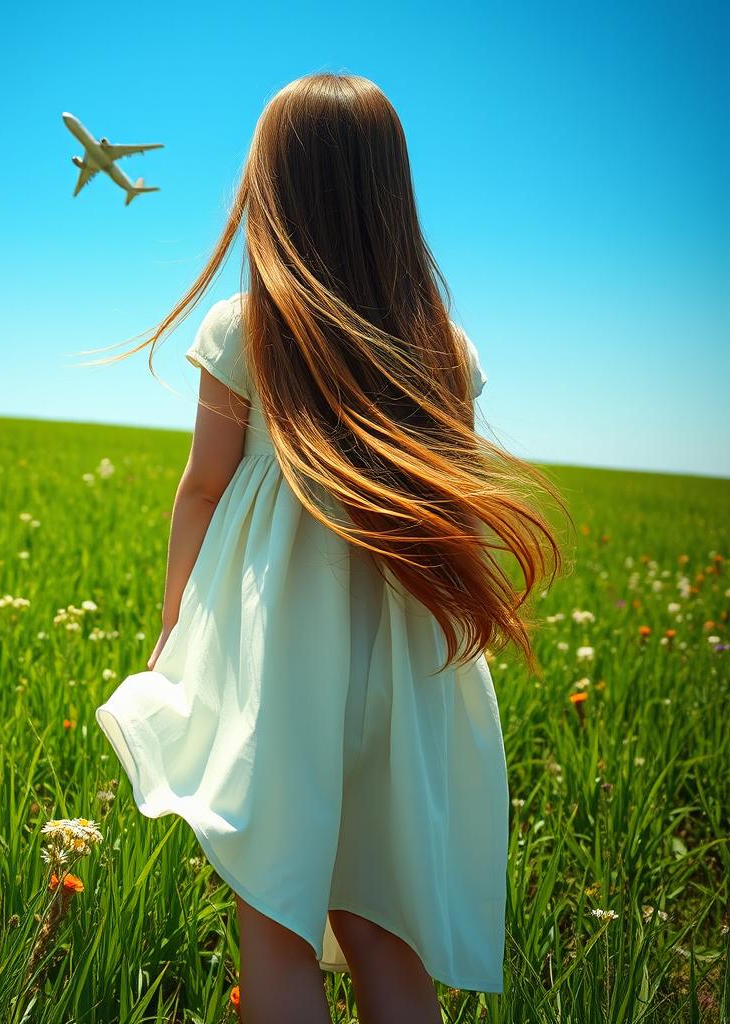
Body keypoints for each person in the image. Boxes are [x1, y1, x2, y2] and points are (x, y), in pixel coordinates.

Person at [94, 72, 571, 1024]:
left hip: (283, 660)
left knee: (275, 918)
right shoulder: (444, 344)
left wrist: (176, 625)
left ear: (274, 187)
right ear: (389, 191)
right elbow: (453, 505)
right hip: (402, 661)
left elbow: (202, 488)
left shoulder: (247, 325)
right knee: (381, 931)